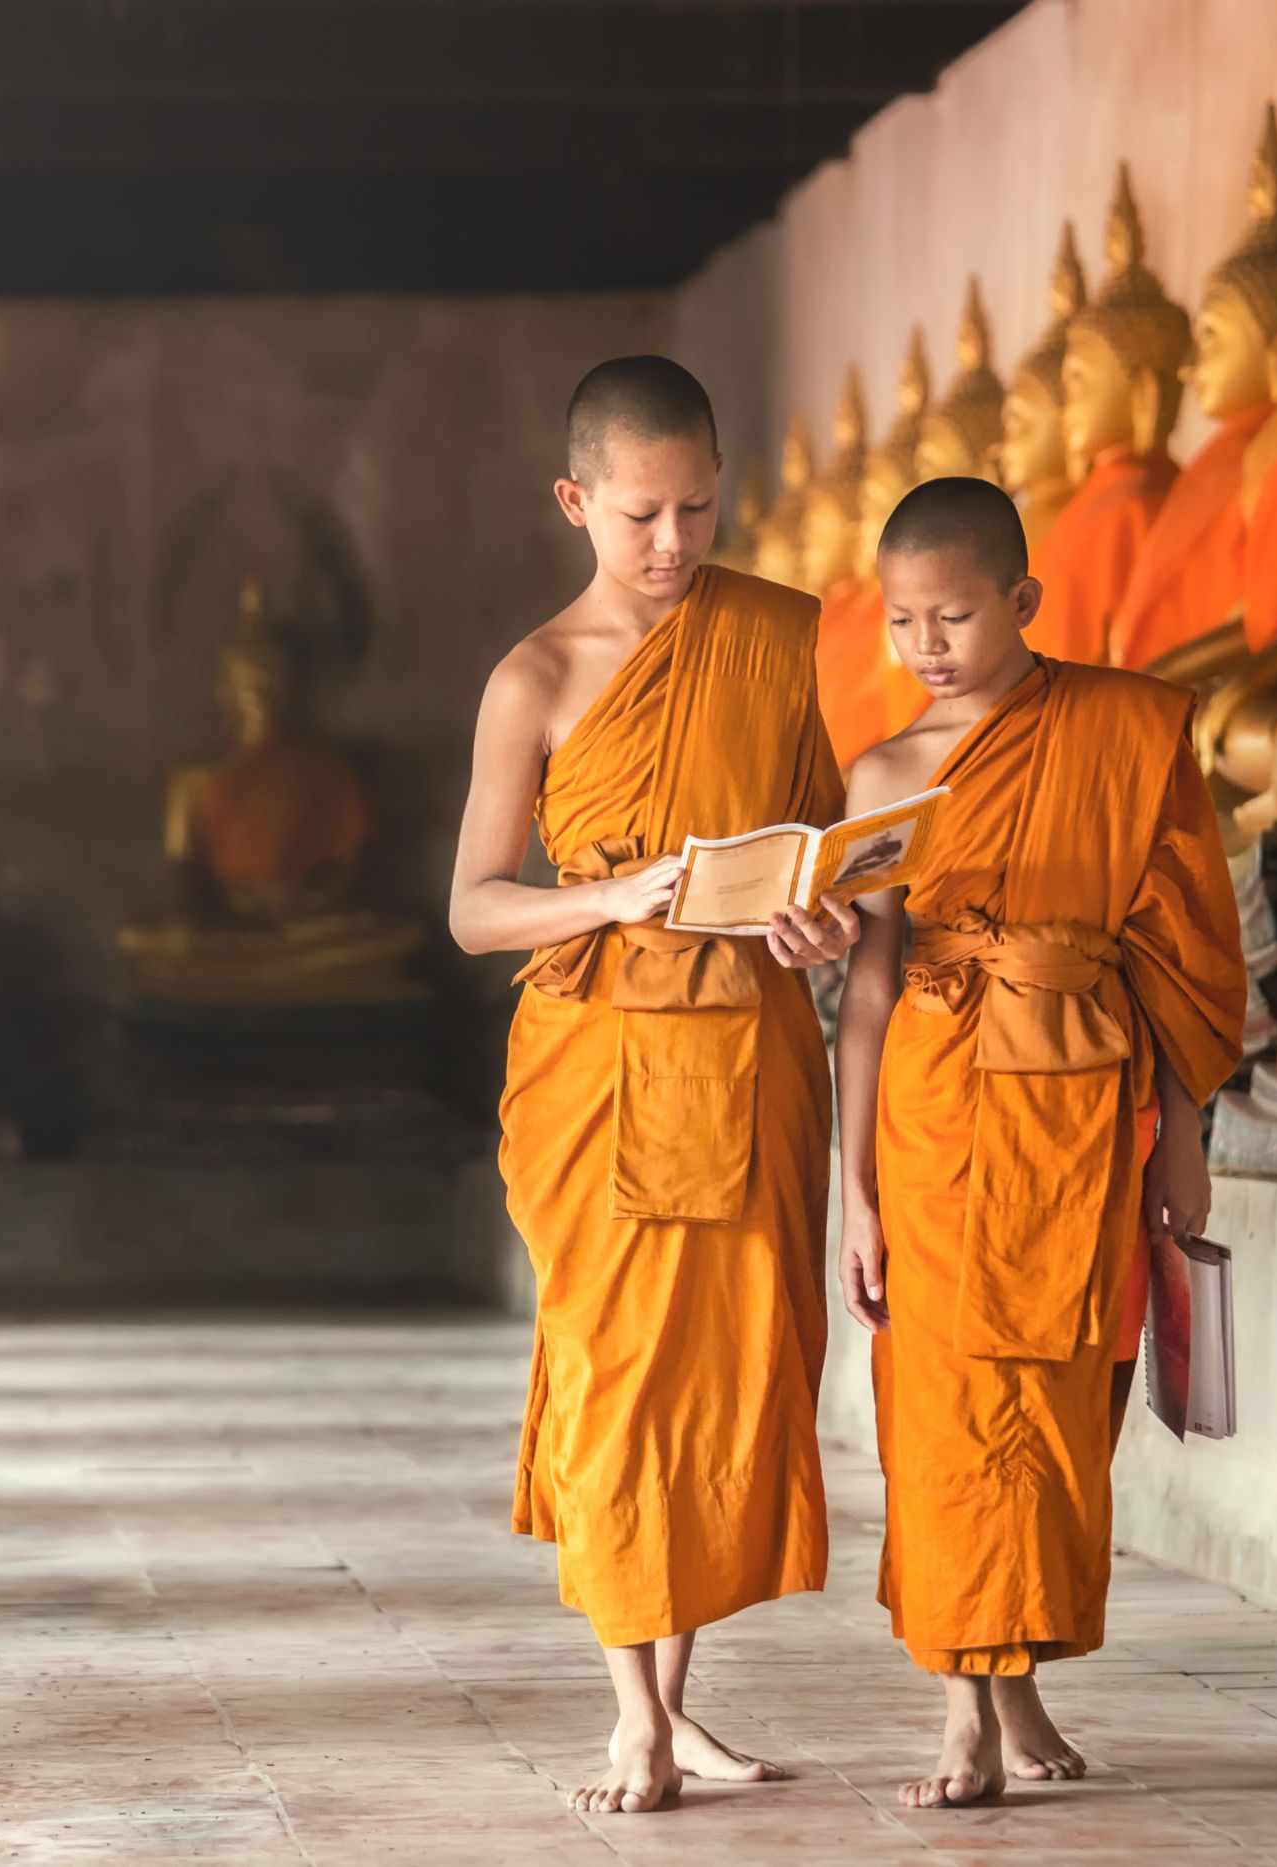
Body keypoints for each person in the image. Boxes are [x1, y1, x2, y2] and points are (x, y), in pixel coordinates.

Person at [448, 356, 858, 1816]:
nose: (674, 545)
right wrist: (614, 900)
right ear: (576, 502)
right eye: (639, 516)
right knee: (623, 1384)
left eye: (696, 508)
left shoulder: (788, 640)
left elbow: (840, 855)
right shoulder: (537, 678)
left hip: (750, 1051)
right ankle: (631, 1716)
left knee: (724, 1382)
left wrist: (827, 922)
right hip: (606, 1064)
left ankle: (676, 1711)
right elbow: (478, 908)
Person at [833, 477, 1245, 1806]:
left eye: (953, 614)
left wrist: (1186, 1141)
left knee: (1067, 1402)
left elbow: (1182, 960)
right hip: (938, 1115)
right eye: (903, 622)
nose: (927, 647)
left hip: (1087, 1106)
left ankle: (1015, 1679)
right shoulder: (885, 776)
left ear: (1023, 600)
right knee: (950, 1410)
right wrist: (854, 1194)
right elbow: (867, 992)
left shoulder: (1125, 731)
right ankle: (964, 1711)